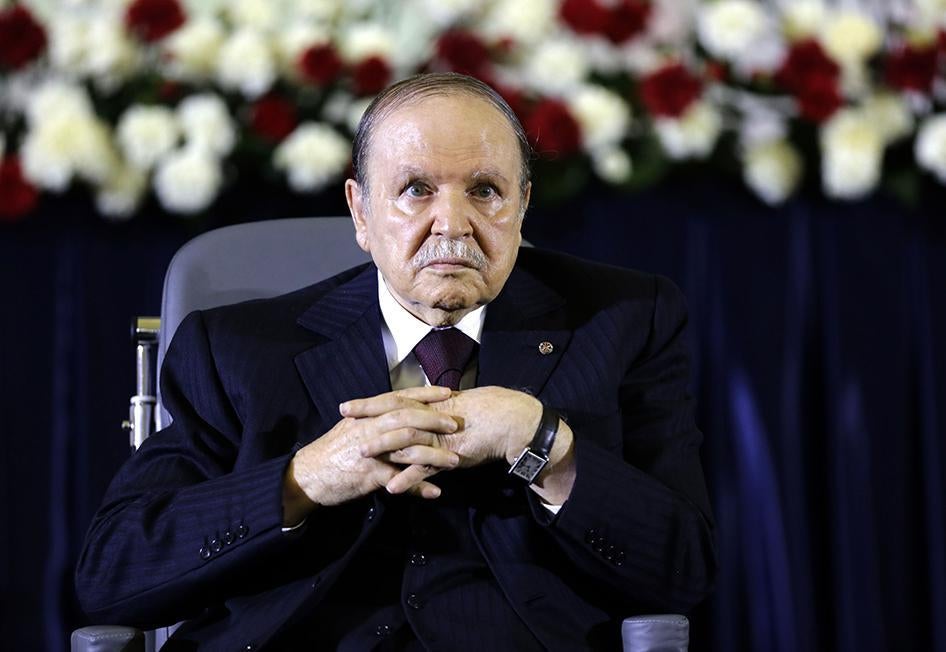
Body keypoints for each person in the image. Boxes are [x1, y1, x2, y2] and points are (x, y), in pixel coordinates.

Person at [76, 73, 717, 651]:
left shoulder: (626, 320)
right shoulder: (238, 348)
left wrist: (541, 442)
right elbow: (114, 574)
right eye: (415, 190)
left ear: (522, 206)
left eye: (486, 191)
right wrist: (310, 478)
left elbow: (682, 571)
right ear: (361, 211)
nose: (454, 224)